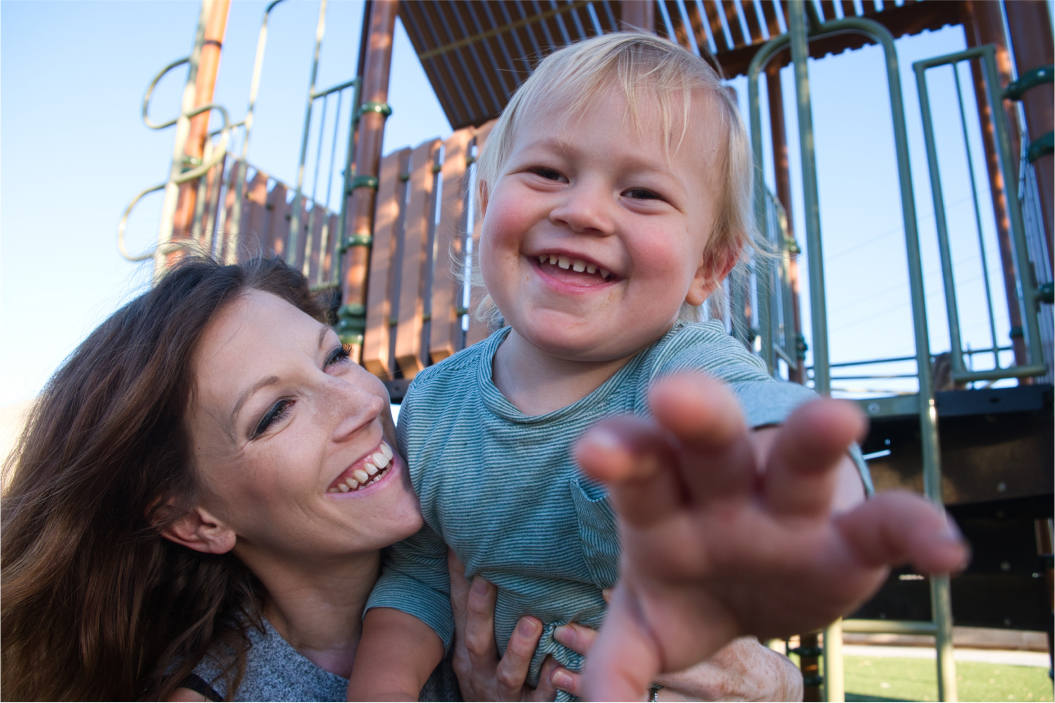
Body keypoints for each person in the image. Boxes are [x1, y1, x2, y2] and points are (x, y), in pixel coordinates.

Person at [349, 32, 968, 702]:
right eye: (548, 173)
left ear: (705, 267)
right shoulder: (436, 403)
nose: (581, 210)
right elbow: (416, 580)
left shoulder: (678, 371)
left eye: (640, 192)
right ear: (486, 203)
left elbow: (759, 414)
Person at [0, 256, 804, 702]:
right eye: (275, 412)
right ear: (195, 519)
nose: (357, 403)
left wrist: (772, 688)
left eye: (334, 358)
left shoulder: (514, 534)